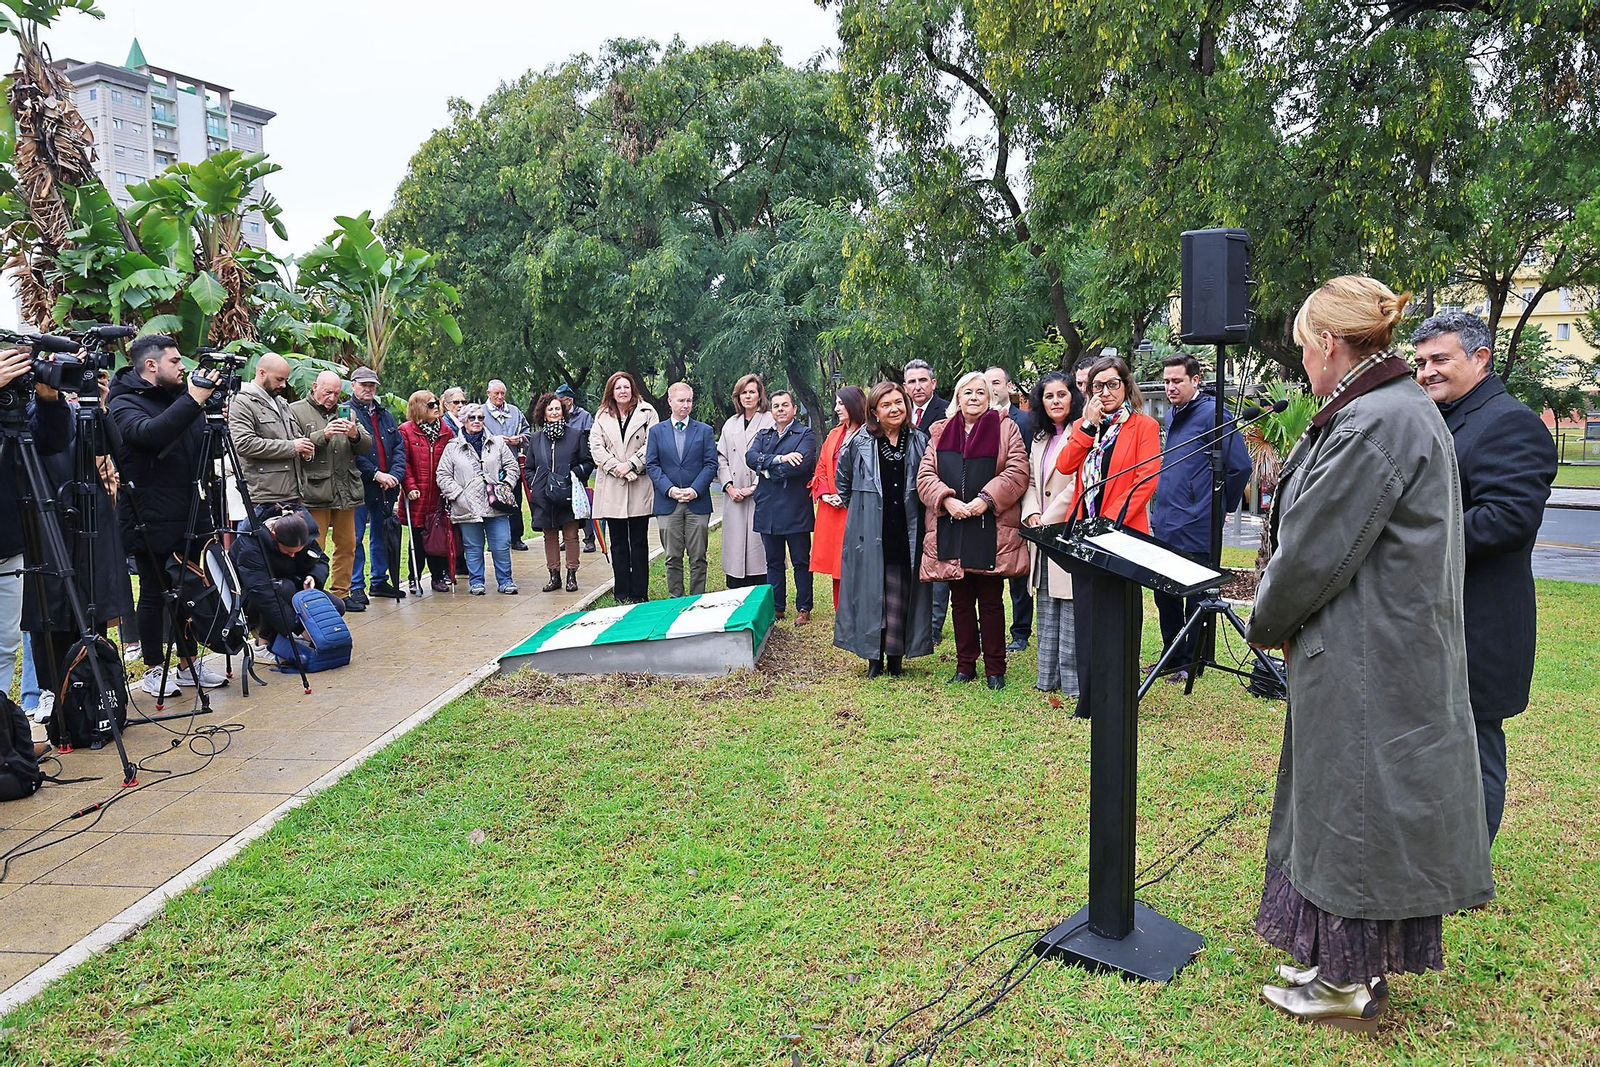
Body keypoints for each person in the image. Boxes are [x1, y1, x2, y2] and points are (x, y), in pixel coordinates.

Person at [1245, 276, 1493, 1032]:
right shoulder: (1387, 407)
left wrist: (1262, 619)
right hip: (1367, 646)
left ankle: (1347, 987)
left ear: (1328, 343)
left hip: (1368, 656)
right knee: (1340, 807)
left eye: (1303, 349)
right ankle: (1337, 964)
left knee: (1353, 815)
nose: (1303, 367)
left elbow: (1314, 553)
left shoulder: (1373, 420)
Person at [1412, 309, 1557, 844]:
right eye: (1421, 361)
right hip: (1435, 621)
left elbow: (1507, 520)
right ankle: (1437, 855)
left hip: (1481, 624)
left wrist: (1410, 537)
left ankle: (1468, 869)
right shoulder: (1443, 416)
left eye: (1440, 359)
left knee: (1476, 749)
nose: (1427, 371)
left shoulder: (1510, 421)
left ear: (1480, 359)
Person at [107, 334, 228, 696]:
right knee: (155, 593)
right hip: (148, 514)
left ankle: (189, 663)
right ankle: (154, 668)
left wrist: (214, 414)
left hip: (191, 510)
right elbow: (149, 435)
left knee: (189, 589)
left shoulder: (181, 399)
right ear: (151, 365)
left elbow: (205, 450)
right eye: (175, 361)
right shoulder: (124, 400)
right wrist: (193, 400)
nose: (183, 367)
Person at [1055, 354, 1162, 716]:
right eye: (1096, 386)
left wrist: (1108, 526)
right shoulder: (1084, 425)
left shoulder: (1143, 426)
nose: (1105, 392)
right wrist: (1086, 427)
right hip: (1083, 534)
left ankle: (1119, 695)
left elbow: (1144, 481)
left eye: (1112, 384)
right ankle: (1090, 699)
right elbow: (1064, 466)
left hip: (1122, 535)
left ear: (1126, 386)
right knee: (1087, 615)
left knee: (1121, 615)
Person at [24, 380, 136, 722]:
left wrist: (100, 404)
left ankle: (94, 699)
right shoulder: (27, 412)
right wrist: (47, 399)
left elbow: (116, 450)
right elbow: (46, 441)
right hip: (44, 528)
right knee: (50, 619)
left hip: (88, 528)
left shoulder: (80, 412)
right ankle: (51, 698)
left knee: (91, 610)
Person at [917, 372, 1030, 689]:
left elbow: (1018, 471)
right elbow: (925, 475)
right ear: (957, 396)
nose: (974, 397)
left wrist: (986, 500)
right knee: (961, 601)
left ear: (990, 396)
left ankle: (995, 669)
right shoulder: (940, 431)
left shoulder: (1006, 428)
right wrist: (946, 500)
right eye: (967, 392)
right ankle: (965, 665)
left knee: (991, 601)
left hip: (988, 525)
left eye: (981, 391)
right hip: (951, 523)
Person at [1149, 354, 1252, 685]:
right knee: (1164, 593)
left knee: (1194, 596)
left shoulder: (1213, 414)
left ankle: (1190, 662)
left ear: (1195, 380)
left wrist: (1217, 508)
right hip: (1166, 520)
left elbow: (1240, 467)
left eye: (1177, 381)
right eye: (1166, 381)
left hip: (1196, 525)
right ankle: (1171, 656)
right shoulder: (1172, 415)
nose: (1170, 387)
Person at [834, 381, 933, 676]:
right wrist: (864, 511)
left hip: (907, 525)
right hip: (869, 527)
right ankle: (873, 658)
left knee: (900, 590)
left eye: (899, 403)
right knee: (870, 592)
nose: (894, 409)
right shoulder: (858, 441)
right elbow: (843, 483)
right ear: (874, 410)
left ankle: (896, 656)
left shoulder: (919, 440)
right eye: (887, 404)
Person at [1, 346, 71, 755]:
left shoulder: (15, 398)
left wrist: (48, 400)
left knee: (5, 646)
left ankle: (3, 745)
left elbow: (51, 442)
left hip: (10, 542)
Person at [1020, 371, 1084, 693]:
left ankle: (1071, 682)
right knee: (1045, 600)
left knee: (1069, 603)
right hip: (1040, 530)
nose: (1055, 401)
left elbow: (1081, 482)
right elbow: (1030, 481)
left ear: (1072, 397)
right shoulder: (1040, 437)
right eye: (1048, 396)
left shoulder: (1084, 431)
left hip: (1067, 529)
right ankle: (1047, 679)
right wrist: (1032, 512)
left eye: (1061, 394)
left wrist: (1050, 517)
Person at [291, 371, 373, 612]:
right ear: (315, 386)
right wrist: (323, 435)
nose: (332, 398)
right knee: (314, 547)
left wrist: (354, 434)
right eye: (328, 392)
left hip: (346, 489)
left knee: (348, 545)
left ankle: (341, 593)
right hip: (315, 491)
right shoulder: (295, 410)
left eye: (337, 393)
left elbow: (366, 446)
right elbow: (294, 445)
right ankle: (312, 594)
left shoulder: (348, 412)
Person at [747, 389, 818, 623]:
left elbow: (802, 464)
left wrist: (766, 469)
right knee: (773, 562)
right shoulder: (763, 435)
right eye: (776, 406)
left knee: (801, 561)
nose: (780, 409)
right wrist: (780, 459)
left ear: (794, 409)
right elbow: (750, 457)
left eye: (785, 405)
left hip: (795, 508)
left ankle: (804, 607)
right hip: (768, 509)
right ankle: (777, 606)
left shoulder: (805, 434)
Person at [436, 403, 520, 596]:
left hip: (495, 504)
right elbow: (443, 475)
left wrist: (505, 486)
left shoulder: (497, 443)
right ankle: (476, 582)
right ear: (463, 420)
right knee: (473, 547)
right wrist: (458, 495)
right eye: (472, 418)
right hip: (468, 506)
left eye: (480, 418)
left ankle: (506, 581)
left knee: (502, 543)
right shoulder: (452, 447)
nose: (476, 421)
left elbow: (512, 467)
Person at [589, 371, 659, 603]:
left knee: (639, 541)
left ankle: (640, 594)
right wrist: (617, 468)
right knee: (617, 542)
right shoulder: (601, 416)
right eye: (618, 388)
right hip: (612, 485)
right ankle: (622, 593)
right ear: (611, 391)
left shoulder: (647, 412)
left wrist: (631, 465)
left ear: (633, 389)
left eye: (626, 387)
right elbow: (596, 447)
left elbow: (653, 443)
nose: (622, 391)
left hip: (638, 482)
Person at [645, 382, 718, 598]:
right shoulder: (657, 432)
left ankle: (697, 599)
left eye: (689, 400)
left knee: (698, 556)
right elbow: (652, 465)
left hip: (698, 502)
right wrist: (670, 490)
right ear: (670, 401)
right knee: (672, 557)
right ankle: (675, 599)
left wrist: (695, 490)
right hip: (668, 503)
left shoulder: (704, 431)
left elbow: (710, 464)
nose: (686, 405)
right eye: (681, 400)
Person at [228, 509, 341, 645]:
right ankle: (263, 644)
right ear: (274, 536)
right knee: (284, 587)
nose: (292, 556)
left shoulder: (300, 533)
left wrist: (313, 577)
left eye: (296, 552)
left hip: (289, 588)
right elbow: (262, 594)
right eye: (288, 551)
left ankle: (292, 637)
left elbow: (321, 561)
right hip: (252, 599)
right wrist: (299, 628)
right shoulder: (251, 547)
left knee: (337, 606)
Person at [985, 365, 1034, 654]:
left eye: (996, 383)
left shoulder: (1025, 420)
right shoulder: (975, 421)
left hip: (1016, 505)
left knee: (1018, 575)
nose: (992, 389)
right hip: (983, 507)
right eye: (986, 383)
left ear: (1008, 386)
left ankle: (1020, 631)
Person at [349, 366, 408, 603]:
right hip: (358, 485)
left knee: (381, 535)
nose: (368, 389)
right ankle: (355, 586)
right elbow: (350, 452)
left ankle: (379, 581)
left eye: (372, 385)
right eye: (363, 384)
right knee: (355, 537)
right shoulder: (347, 413)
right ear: (352, 385)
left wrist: (394, 474)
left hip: (386, 488)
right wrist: (376, 474)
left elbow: (398, 448)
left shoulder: (385, 414)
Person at [229, 353, 312, 517]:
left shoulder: (281, 402)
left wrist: (305, 450)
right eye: (279, 379)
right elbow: (244, 444)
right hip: (264, 496)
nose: (283, 385)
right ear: (261, 373)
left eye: (285, 380)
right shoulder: (241, 402)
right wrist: (292, 447)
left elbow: (294, 437)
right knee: (262, 542)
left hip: (292, 492)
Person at [526, 392, 594, 592]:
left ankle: (571, 574)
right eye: (550, 409)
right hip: (544, 497)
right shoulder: (536, 439)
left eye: (558, 408)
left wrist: (573, 474)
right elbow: (528, 467)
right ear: (544, 414)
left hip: (568, 494)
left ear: (563, 412)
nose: (555, 412)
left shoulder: (575, 435)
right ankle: (553, 575)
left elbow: (588, 462)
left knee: (571, 535)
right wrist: (536, 482)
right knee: (550, 536)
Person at [906, 359, 952, 641]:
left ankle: (934, 626)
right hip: (908, 499)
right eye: (912, 381)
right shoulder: (899, 410)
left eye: (923, 380)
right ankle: (914, 619)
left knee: (938, 562)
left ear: (933, 383)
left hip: (938, 496)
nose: (917, 386)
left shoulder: (948, 411)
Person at [717, 373, 774, 589]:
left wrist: (754, 487)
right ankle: (736, 590)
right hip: (735, 495)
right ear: (737, 397)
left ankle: (763, 593)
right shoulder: (731, 424)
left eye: (752, 392)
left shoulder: (770, 420)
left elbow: (774, 456)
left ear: (760, 395)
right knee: (736, 546)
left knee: (761, 549)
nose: (748, 396)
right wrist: (729, 487)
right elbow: (721, 458)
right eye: (743, 393)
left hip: (761, 494)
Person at [810, 386, 865, 609]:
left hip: (858, 510)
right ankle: (841, 614)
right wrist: (825, 493)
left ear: (853, 404)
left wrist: (846, 495)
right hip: (833, 510)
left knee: (859, 563)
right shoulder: (834, 434)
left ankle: (861, 614)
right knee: (837, 565)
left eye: (841, 404)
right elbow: (821, 467)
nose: (836, 409)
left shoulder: (870, 433)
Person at [397, 391, 455, 592]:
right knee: (417, 537)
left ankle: (438, 577)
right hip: (417, 496)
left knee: (437, 536)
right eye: (431, 405)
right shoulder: (406, 431)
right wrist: (410, 487)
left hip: (439, 495)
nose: (436, 408)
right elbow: (402, 463)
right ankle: (414, 577)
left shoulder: (446, 431)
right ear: (419, 407)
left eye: (436, 403)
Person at [483, 379, 532, 550]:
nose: (499, 396)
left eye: (502, 393)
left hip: (512, 464)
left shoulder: (515, 411)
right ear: (488, 394)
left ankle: (516, 537)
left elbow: (528, 432)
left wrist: (518, 440)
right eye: (496, 393)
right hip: (490, 466)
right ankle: (494, 540)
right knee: (492, 501)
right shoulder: (481, 412)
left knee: (515, 500)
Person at [556, 384, 599, 553]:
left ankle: (589, 539)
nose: (558, 404)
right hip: (561, 467)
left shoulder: (584, 416)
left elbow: (591, 440)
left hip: (579, 466)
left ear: (569, 400)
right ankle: (567, 538)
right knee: (563, 503)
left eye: (561, 401)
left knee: (583, 501)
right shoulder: (557, 415)